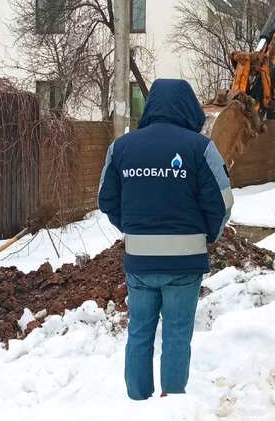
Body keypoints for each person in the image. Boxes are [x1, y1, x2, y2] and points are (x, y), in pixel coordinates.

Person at [98, 78, 233, 400]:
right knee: (176, 335)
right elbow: (222, 202)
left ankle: (138, 403)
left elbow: (107, 200)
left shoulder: (122, 147)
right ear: (188, 106)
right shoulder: (200, 147)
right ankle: (172, 405)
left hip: (140, 261)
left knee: (139, 332)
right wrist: (207, 235)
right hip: (185, 262)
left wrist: (133, 230)